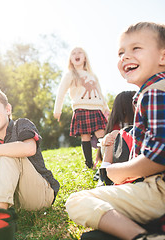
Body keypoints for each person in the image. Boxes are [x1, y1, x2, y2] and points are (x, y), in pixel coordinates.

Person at [65, 22, 165, 240]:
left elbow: (158, 157)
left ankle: (142, 237)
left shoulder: (154, 94)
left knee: (78, 201)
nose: (125, 57)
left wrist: (118, 172)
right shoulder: (150, 93)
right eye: (121, 52)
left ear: (162, 57)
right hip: (153, 189)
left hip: (158, 192)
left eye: (136, 48)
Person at [0, 90, 60, 210]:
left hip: (39, 194)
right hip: (15, 199)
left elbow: (29, 148)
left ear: (7, 109)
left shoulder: (21, 125)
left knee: (8, 152)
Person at [54, 47, 110, 169]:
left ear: (85, 58)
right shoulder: (70, 75)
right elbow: (61, 92)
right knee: (85, 136)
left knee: (101, 134)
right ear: (71, 60)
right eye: (73, 53)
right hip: (81, 108)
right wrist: (57, 109)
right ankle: (89, 164)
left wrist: (106, 108)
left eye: (80, 52)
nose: (76, 54)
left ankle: (106, 162)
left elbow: (100, 93)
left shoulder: (92, 75)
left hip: (96, 109)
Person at [93, 91, 135, 181]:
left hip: (130, 153)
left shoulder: (139, 121)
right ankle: (104, 170)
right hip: (116, 153)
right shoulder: (116, 124)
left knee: (116, 133)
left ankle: (105, 170)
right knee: (114, 134)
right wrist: (105, 139)